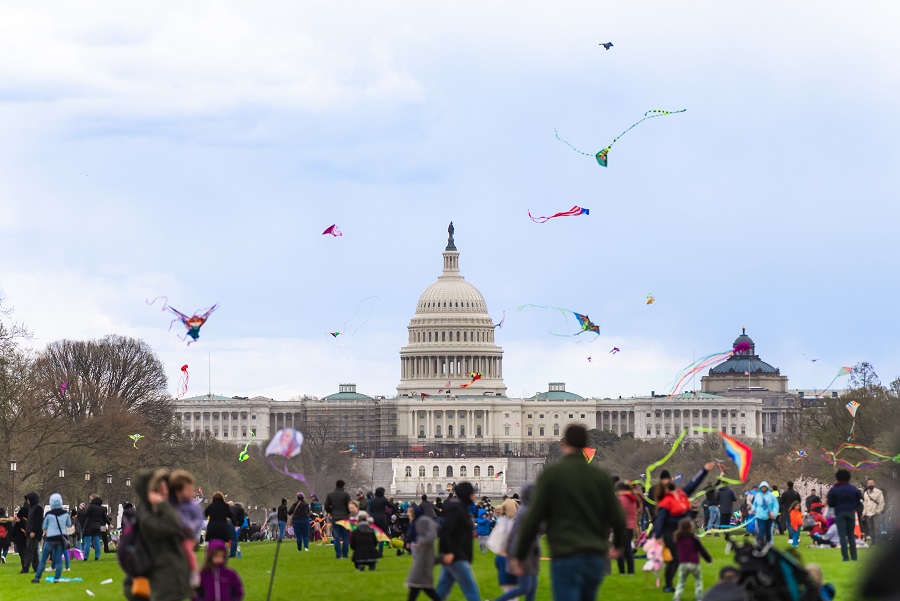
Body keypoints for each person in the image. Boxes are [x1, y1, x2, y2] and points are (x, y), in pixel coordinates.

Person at [513, 424, 626, 601]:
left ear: (564, 443)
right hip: (594, 555)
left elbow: (533, 518)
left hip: (565, 553)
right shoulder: (600, 476)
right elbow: (618, 518)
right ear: (586, 444)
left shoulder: (552, 474)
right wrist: (618, 545)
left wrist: (520, 555)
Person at [123, 469, 192, 601]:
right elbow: (173, 528)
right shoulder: (148, 516)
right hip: (158, 578)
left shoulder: (160, 512)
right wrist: (162, 504)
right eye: (162, 488)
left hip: (169, 576)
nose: (166, 492)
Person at [652, 463, 715, 593]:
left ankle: (673, 582)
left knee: (680, 557)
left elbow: (693, 483)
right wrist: (658, 536)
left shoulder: (681, 494)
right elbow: (660, 520)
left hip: (684, 531)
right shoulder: (666, 501)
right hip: (670, 532)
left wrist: (704, 470)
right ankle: (668, 585)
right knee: (676, 558)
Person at [491, 484, 540, 601]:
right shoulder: (527, 512)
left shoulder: (527, 510)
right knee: (526, 587)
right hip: (524, 555)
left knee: (531, 588)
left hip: (529, 554)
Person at [435, 482, 482, 601]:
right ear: (467, 495)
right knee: (471, 589)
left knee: (442, 591)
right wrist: (448, 552)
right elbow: (447, 531)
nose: (474, 497)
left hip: (455, 554)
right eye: (472, 494)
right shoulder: (457, 509)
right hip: (457, 555)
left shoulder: (460, 508)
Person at [169, 470, 204, 587]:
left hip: (187, 536)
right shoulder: (171, 504)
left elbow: (199, 520)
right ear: (177, 491)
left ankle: (194, 572)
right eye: (188, 490)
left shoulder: (193, 506)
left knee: (188, 550)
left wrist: (193, 531)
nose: (191, 493)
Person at [31, 493, 73, 584]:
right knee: (58, 560)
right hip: (61, 538)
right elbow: (69, 524)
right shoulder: (65, 514)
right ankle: (57, 578)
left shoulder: (49, 514)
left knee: (43, 559)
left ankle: (37, 577)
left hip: (50, 538)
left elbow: (44, 526)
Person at [405, 504, 441, 601]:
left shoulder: (423, 539)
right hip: (422, 570)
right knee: (422, 590)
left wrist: (418, 541)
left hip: (422, 570)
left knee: (419, 589)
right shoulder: (425, 541)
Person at [826, 469, 863, 561]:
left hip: (840, 513)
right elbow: (859, 501)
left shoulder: (834, 489)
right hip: (851, 513)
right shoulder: (853, 489)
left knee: (842, 536)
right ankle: (854, 556)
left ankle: (845, 557)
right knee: (851, 535)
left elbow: (830, 503)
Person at [672, 518, 711, 601]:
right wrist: (708, 559)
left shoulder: (678, 538)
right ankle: (699, 597)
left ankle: (677, 597)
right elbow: (701, 549)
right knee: (698, 580)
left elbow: (676, 550)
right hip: (694, 563)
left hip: (683, 563)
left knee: (681, 581)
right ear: (690, 527)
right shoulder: (693, 538)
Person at [615, 481, 640, 574]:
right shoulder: (633, 499)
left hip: (621, 526)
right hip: (630, 526)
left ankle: (622, 571)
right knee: (628, 549)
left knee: (620, 550)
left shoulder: (620, 499)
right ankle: (631, 571)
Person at [325, 479, 352, 559]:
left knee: (336, 537)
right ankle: (345, 554)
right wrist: (347, 512)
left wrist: (331, 511)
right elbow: (349, 506)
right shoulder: (346, 495)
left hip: (335, 517)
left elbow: (326, 506)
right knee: (345, 537)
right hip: (344, 518)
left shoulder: (330, 495)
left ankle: (338, 554)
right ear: (343, 486)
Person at [367, 487, 396, 556]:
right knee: (381, 535)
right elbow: (391, 505)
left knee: (374, 535)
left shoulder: (373, 500)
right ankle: (380, 552)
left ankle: (373, 550)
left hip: (374, 518)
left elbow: (369, 510)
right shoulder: (383, 499)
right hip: (382, 518)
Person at [748, 481, 779, 547]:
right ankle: (760, 544)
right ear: (760, 488)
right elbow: (755, 504)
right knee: (760, 530)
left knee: (768, 531)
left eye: (765, 487)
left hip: (769, 516)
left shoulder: (771, 496)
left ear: (767, 488)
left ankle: (769, 544)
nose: (763, 488)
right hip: (760, 516)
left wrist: (774, 514)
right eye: (762, 487)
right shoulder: (758, 495)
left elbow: (775, 505)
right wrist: (753, 510)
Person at [81, 494, 107, 561]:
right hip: (97, 527)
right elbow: (105, 518)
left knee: (87, 543)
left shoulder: (91, 507)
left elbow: (85, 515)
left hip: (89, 527)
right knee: (97, 542)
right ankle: (97, 557)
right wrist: (109, 524)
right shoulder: (102, 509)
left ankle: (85, 557)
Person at [22, 491, 42, 573]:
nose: (27, 501)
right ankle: (36, 567)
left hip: (33, 533)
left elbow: (38, 521)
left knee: (29, 551)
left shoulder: (37, 508)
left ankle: (25, 568)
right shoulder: (32, 508)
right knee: (34, 552)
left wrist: (33, 531)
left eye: (28, 499)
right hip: (30, 532)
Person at [862, 478, 885, 546]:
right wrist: (864, 513)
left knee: (877, 528)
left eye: (871, 483)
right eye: (869, 483)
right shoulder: (866, 493)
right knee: (871, 528)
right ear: (867, 484)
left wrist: (878, 511)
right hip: (868, 513)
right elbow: (865, 504)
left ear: (874, 484)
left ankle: (878, 542)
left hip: (875, 512)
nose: (870, 484)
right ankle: (873, 542)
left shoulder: (879, 492)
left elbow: (882, 503)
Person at [12, 499, 29, 572]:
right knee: (24, 553)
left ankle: (24, 568)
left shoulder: (21, 521)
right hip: (25, 539)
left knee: (22, 554)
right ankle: (25, 567)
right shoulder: (27, 520)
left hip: (20, 539)